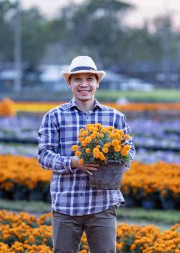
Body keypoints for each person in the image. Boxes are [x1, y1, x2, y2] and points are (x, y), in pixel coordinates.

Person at [37, 56, 135, 253]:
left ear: (97, 83)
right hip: (66, 205)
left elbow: (129, 152)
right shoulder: (54, 116)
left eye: (89, 79)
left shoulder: (115, 117)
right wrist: (72, 162)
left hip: (102, 204)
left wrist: (111, 161)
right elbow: (43, 155)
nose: (84, 85)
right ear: (69, 83)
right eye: (77, 79)